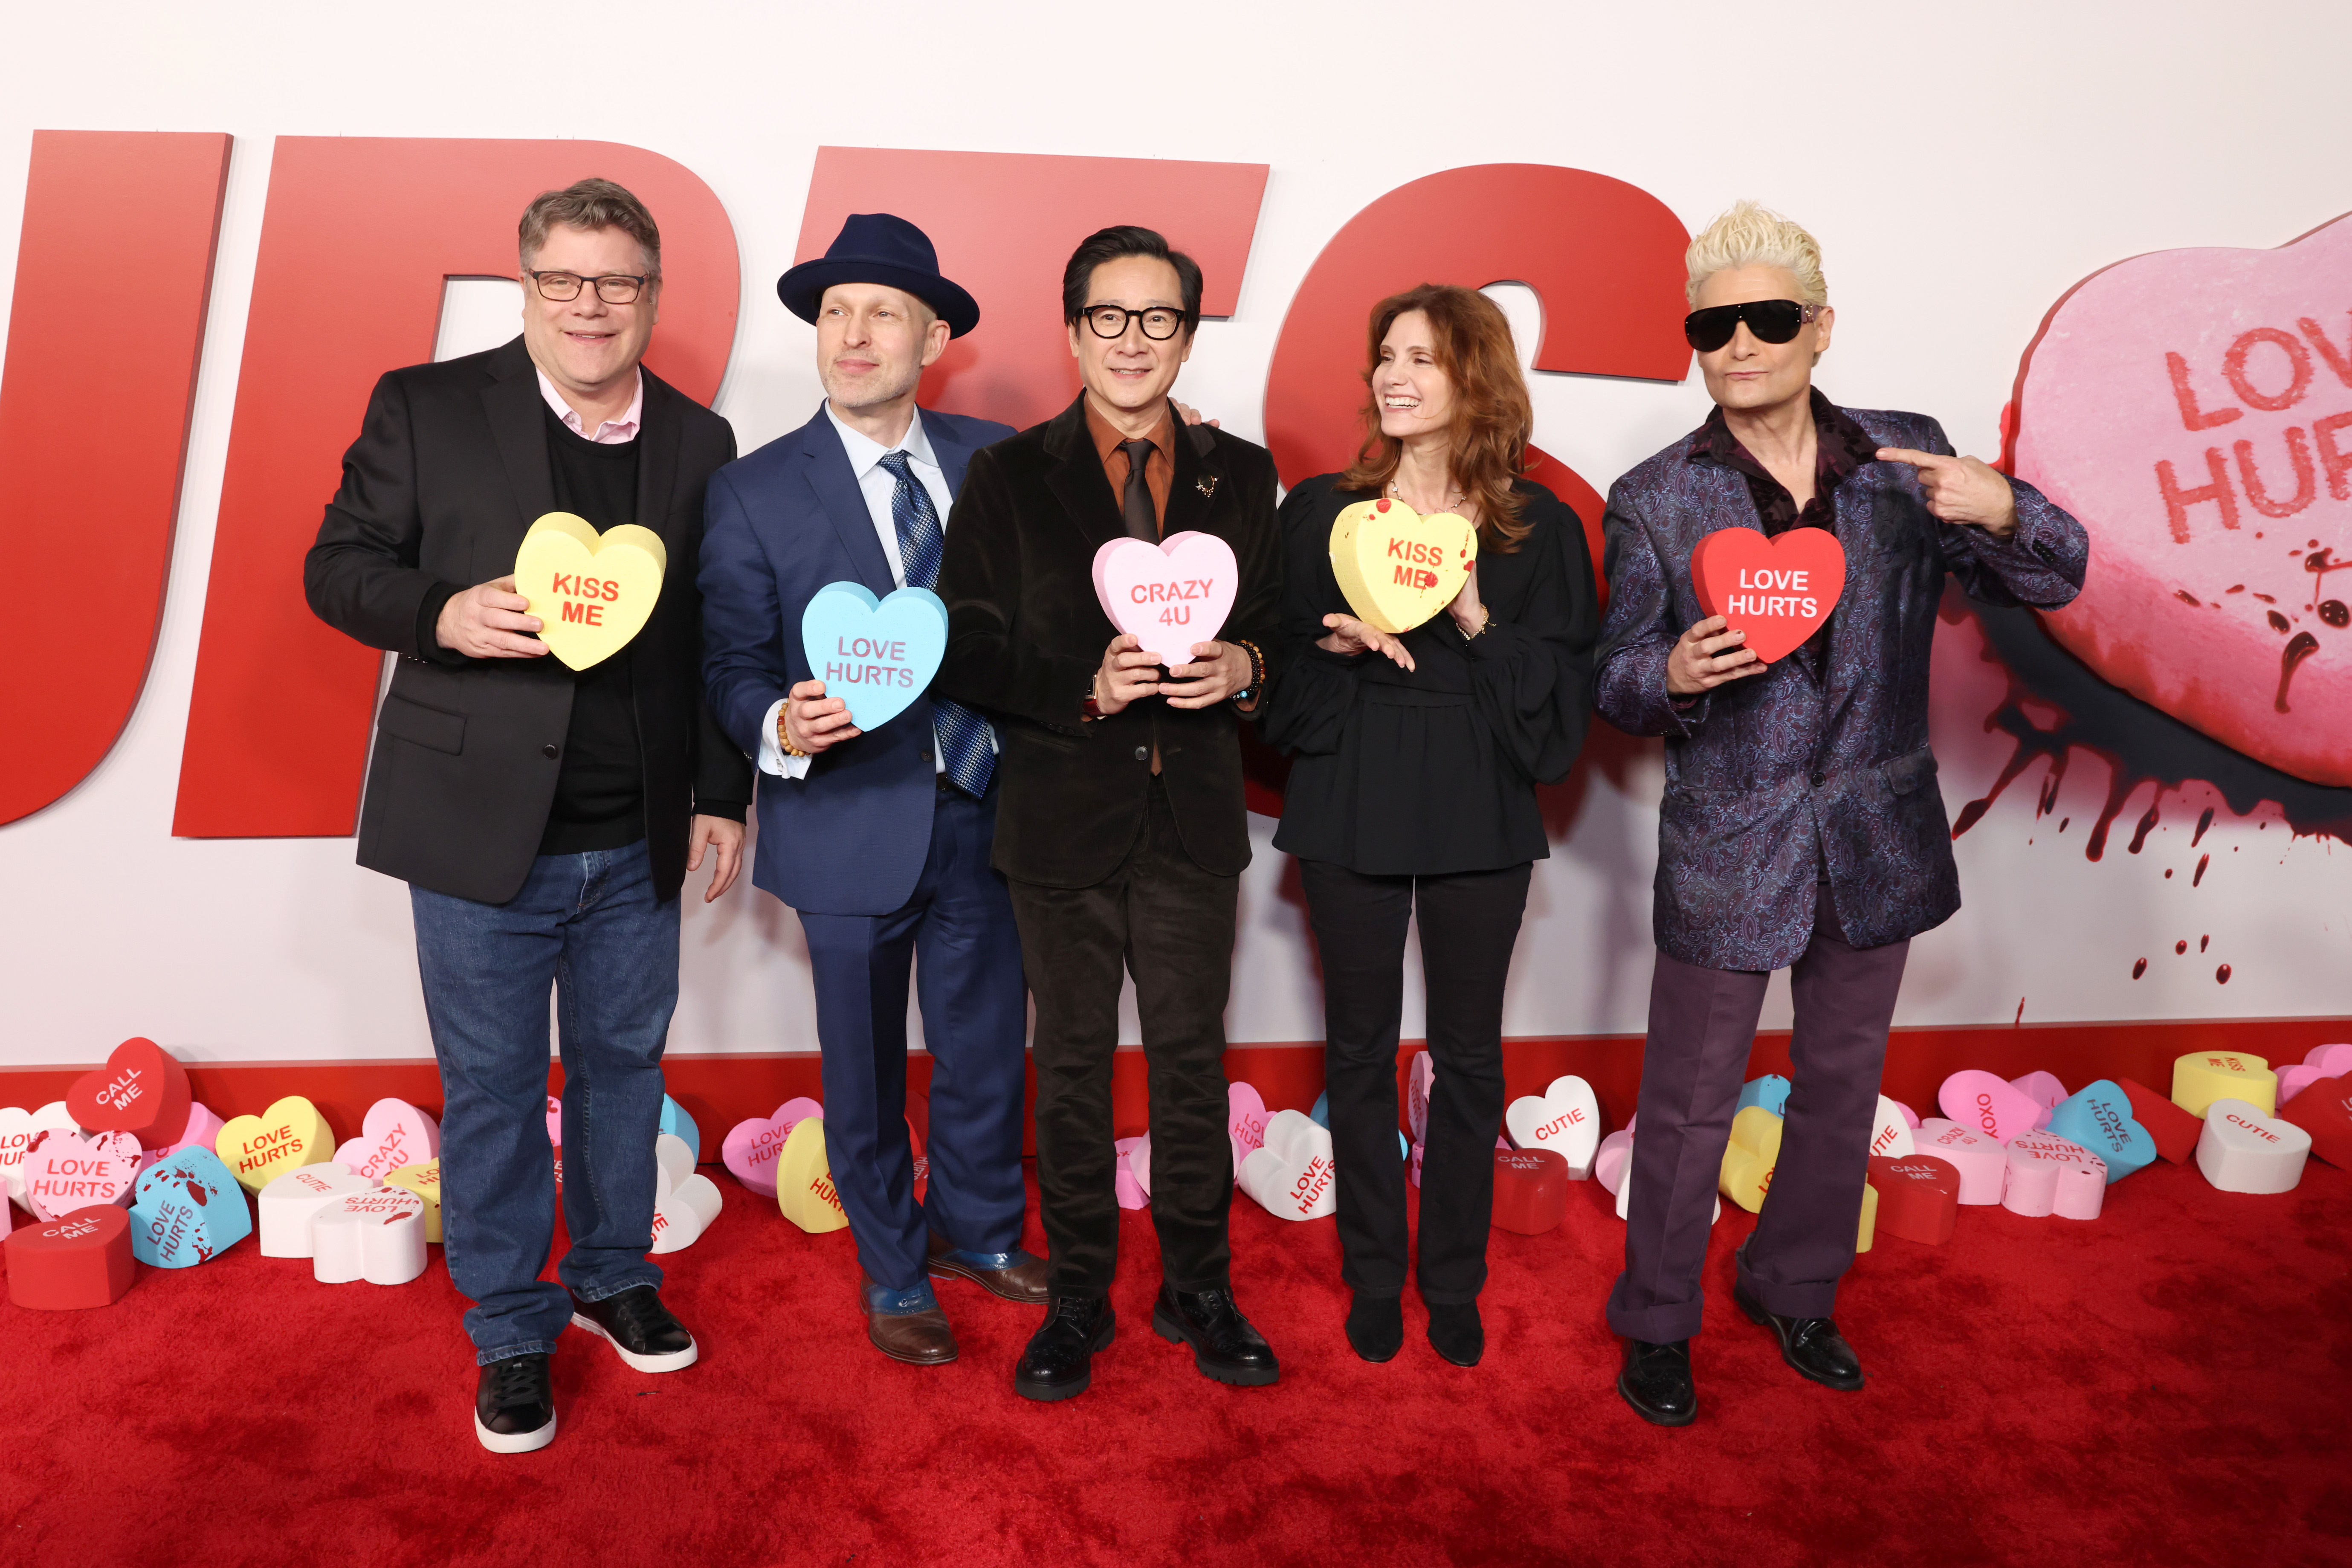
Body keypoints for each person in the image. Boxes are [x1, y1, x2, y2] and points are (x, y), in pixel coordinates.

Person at [1593, 201, 2089, 1426]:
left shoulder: (1905, 462)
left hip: (1875, 831)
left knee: (1839, 1076)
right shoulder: (1656, 496)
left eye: (1767, 319)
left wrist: (2005, 507)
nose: (1739, 342)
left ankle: (1796, 1285)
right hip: (1731, 842)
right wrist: (1668, 675)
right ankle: (1656, 1317)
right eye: (1714, 324)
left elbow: (2059, 574)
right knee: (1688, 1096)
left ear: (1819, 328)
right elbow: (1611, 675)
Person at [304, 179, 750, 1454]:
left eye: (618, 281)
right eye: (566, 279)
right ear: (527, 286)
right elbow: (336, 564)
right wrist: (439, 612)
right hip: (474, 826)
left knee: (624, 1073)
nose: (592, 305)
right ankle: (510, 1323)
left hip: (638, 833)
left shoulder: (697, 439)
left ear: (652, 297)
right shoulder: (426, 404)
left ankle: (612, 1274)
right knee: (494, 1089)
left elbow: (717, 631)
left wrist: (723, 789)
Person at [934, 226, 1283, 1403]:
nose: (1133, 341)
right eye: (1109, 316)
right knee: (1072, 1064)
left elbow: (1276, 630)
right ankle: (1079, 1292)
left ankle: (1199, 1286)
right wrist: (1083, 682)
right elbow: (965, 645)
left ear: (1188, 334)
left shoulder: (1245, 474)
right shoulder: (1007, 476)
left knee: (1191, 1061)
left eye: (1159, 319)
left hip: (1191, 812)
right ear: (1074, 327)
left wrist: (1244, 666)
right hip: (1060, 816)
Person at [698, 214, 1041, 1367]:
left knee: (988, 1042)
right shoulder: (751, 490)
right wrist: (775, 722)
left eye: (882, 312)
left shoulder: (999, 459)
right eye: (834, 312)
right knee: (863, 1064)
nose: (853, 334)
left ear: (931, 334)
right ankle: (895, 1265)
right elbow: (730, 664)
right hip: (843, 816)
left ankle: (982, 1233)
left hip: (989, 809)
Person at [1260, 284, 1598, 1368]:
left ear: (1477, 381)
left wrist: (1471, 614)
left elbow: (1561, 702)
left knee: (1467, 1056)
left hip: (1477, 808)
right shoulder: (1319, 511)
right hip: (1352, 790)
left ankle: (1451, 1276)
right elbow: (1267, 689)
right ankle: (1372, 1273)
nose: (1395, 377)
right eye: (1386, 356)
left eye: (1426, 359)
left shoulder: (1538, 528)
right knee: (1356, 1051)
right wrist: (1335, 650)